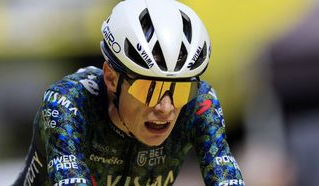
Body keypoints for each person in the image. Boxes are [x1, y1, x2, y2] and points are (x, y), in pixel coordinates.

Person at [13, 0, 244, 185]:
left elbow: (224, 175)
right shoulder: (69, 104)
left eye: (182, 90)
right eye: (149, 90)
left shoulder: (200, 103)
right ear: (111, 78)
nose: (166, 108)